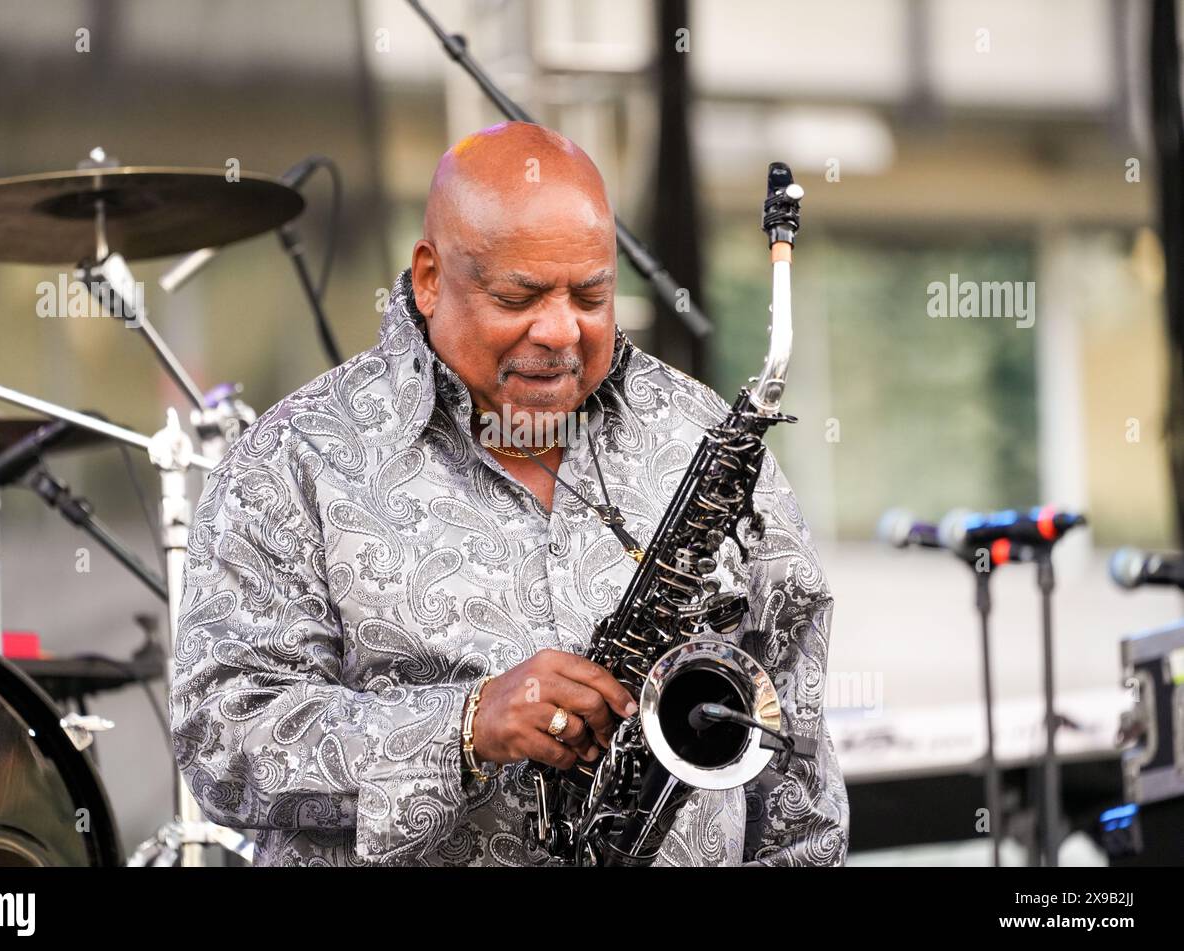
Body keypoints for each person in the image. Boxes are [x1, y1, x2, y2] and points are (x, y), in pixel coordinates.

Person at [170, 120, 849, 865]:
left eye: (591, 295)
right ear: (430, 278)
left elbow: (796, 749)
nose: (560, 331)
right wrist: (464, 726)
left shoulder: (698, 432)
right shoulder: (294, 457)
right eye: (519, 296)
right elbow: (221, 740)